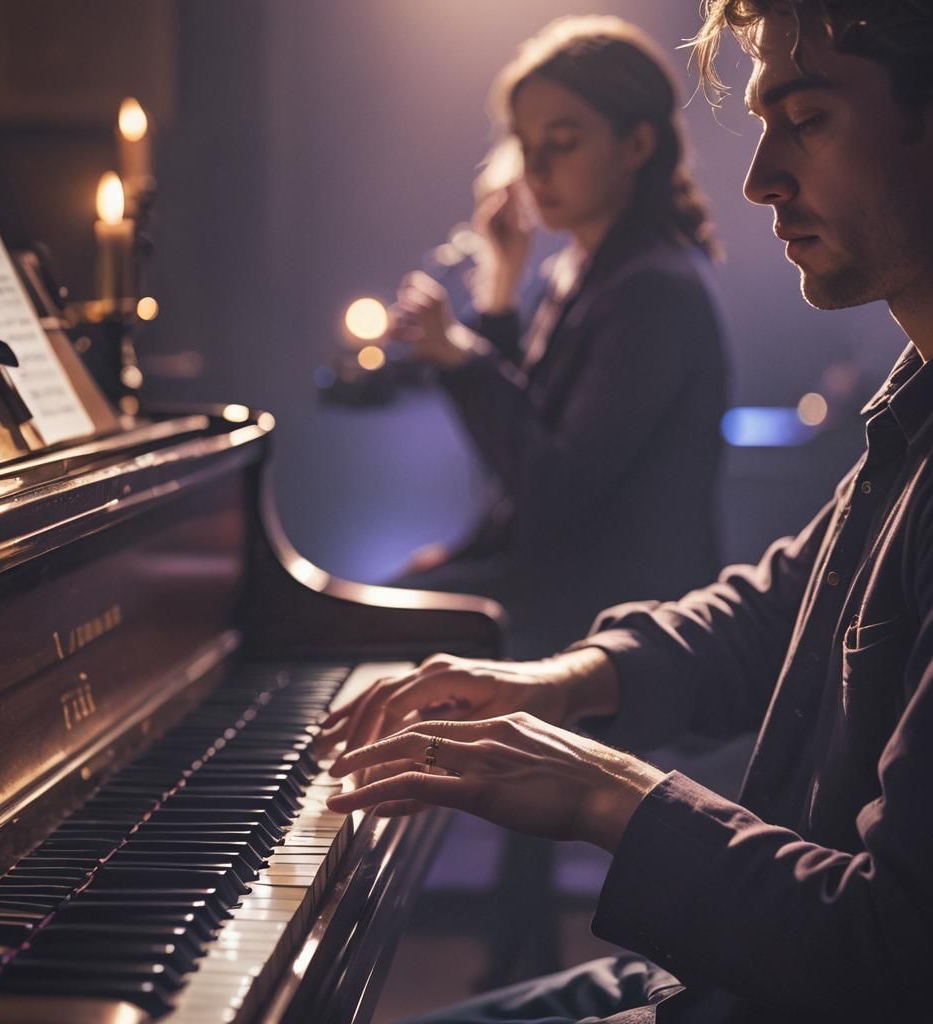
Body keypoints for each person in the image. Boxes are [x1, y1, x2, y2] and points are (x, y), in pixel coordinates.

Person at [322, 1, 933, 1020]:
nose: (758, 177)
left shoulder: (654, 288)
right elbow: (773, 608)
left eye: (810, 117)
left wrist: (600, 788)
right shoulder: (916, 401)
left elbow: (893, 951)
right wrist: (559, 681)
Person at [389, 16, 728, 658]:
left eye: (563, 142)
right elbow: (524, 439)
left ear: (636, 146)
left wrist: (462, 356)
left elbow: (554, 488)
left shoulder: (653, 289)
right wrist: (499, 291)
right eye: (525, 142)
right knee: (394, 596)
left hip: (613, 623)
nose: (535, 167)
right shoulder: (575, 268)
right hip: (553, 589)